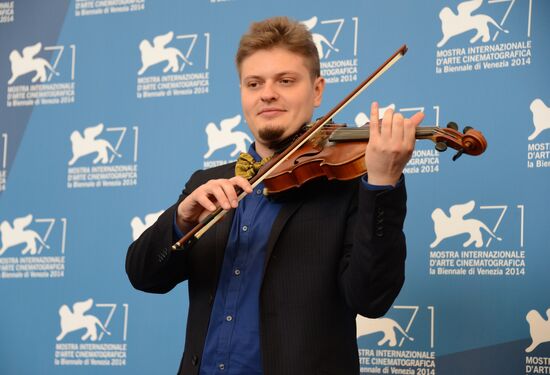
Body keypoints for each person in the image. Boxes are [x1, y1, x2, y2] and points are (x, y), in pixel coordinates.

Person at [126, 16, 424, 375]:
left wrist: (382, 183)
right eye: (254, 83)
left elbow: (371, 298)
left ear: (317, 91)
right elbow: (143, 275)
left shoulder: (349, 184)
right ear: (242, 93)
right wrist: (181, 220)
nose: (268, 93)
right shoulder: (207, 184)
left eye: (285, 80)